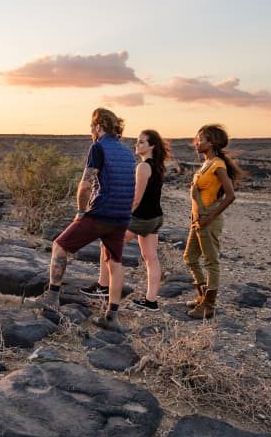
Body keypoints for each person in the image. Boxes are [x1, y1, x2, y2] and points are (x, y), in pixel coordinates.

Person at [38, 107, 138, 331]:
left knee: (60, 246)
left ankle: (52, 297)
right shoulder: (126, 152)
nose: (91, 131)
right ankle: (112, 316)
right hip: (121, 217)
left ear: (99, 127)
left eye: (92, 127)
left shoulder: (98, 147)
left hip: (101, 213)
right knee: (115, 262)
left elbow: (84, 186)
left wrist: (81, 212)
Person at [82, 129, 172, 310]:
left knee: (106, 244)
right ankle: (151, 301)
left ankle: (103, 286)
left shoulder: (143, 167)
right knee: (151, 258)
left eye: (141, 142)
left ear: (152, 145)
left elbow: (136, 199)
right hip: (155, 218)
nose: (136, 145)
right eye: (137, 142)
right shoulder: (158, 166)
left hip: (140, 219)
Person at [183, 123, 241, 319]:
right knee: (189, 258)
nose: (197, 142)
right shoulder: (206, 164)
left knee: (210, 261)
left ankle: (209, 305)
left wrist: (210, 217)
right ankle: (202, 298)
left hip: (208, 219)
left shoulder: (218, 165)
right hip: (198, 220)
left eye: (201, 139)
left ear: (212, 142)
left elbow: (230, 195)